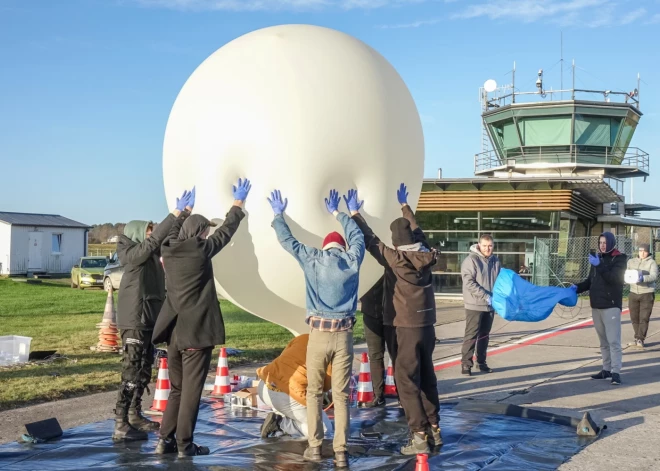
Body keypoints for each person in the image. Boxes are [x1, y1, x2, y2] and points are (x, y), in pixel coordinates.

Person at [152, 178, 251, 457]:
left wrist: (181, 211)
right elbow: (227, 233)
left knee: (177, 390)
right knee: (191, 394)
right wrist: (238, 203)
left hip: (174, 335)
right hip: (196, 334)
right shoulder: (200, 251)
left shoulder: (168, 250)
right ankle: (185, 445)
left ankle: (165, 440)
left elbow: (171, 233)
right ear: (199, 234)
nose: (208, 236)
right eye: (205, 233)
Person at [269, 188, 365, 468]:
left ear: (324, 247)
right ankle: (341, 452)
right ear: (341, 247)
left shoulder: (312, 259)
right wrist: (340, 213)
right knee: (342, 395)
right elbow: (358, 236)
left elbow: (288, 242)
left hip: (319, 337)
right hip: (344, 337)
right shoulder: (352, 259)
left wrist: (278, 215)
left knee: (313, 392)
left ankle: (314, 447)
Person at [350, 183, 441, 456]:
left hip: (406, 328)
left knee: (406, 381)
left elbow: (370, 240)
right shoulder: (425, 253)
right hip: (427, 326)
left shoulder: (396, 259)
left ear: (397, 242)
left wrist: (353, 212)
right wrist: (405, 207)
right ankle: (435, 428)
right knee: (427, 377)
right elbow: (417, 230)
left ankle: (419, 435)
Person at [112, 188, 194, 442]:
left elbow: (165, 236)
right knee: (132, 370)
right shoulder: (132, 255)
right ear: (138, 234)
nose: (152, 236)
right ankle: (120, 421)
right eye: (148, 231)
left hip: (149, 319)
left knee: (145, 369)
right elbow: (150, 243)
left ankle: (135, 414)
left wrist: (183, 216)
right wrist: (174, 212)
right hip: (134, 320)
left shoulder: (150, 254)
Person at [573, 232, 627, 385]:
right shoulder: (598, 259)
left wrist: (600, 265)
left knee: (613, 341)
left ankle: (616, 371)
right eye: (600, 242)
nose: (602, 245)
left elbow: (615, 279)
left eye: (605, 242)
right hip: (596, 305)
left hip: (610, 306)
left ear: (611, 243)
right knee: (603, 341)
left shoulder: (619, 258)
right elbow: (590, 281)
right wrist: (576, 287)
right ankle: (606, 369)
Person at [257, 334, 334, 439]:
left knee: (301, 413)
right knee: (323, 430)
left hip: (264, 385)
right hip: (286, 395)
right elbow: (324, 386)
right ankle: (280, 424)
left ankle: (282, 417)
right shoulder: (335, 351)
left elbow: (284, 358)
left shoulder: (304, 337)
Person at [460, 234, 501, 376]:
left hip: (490, 305)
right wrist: (485, 296)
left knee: (484, 335)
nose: (487, 248)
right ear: (479, 245)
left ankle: (481, 363)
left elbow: (500, 281)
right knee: (471, 335)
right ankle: (466, 364)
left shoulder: (495, 261)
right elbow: (469, 282)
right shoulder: (471, 260)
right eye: (484, 246)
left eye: (490, 246)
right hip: (474, 304)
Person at [360, 277, 387, 408]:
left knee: (398, 355)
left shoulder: (391, 259)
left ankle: (403, 395)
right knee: (375, 356)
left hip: (392, 314)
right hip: (370, 312)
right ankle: (378, 395)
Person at [627, 243, 657, 348]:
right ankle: (637, 337)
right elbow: (626, 273)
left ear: (648, 252)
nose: (642, 253)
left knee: (644, 318)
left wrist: (642, 278)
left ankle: (640, 339)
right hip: (633, 292)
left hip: (647, 293)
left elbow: (654, 276)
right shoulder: (631, 261)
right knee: (634, 317)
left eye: (644, 251)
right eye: (640, 251)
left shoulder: (652, 263)